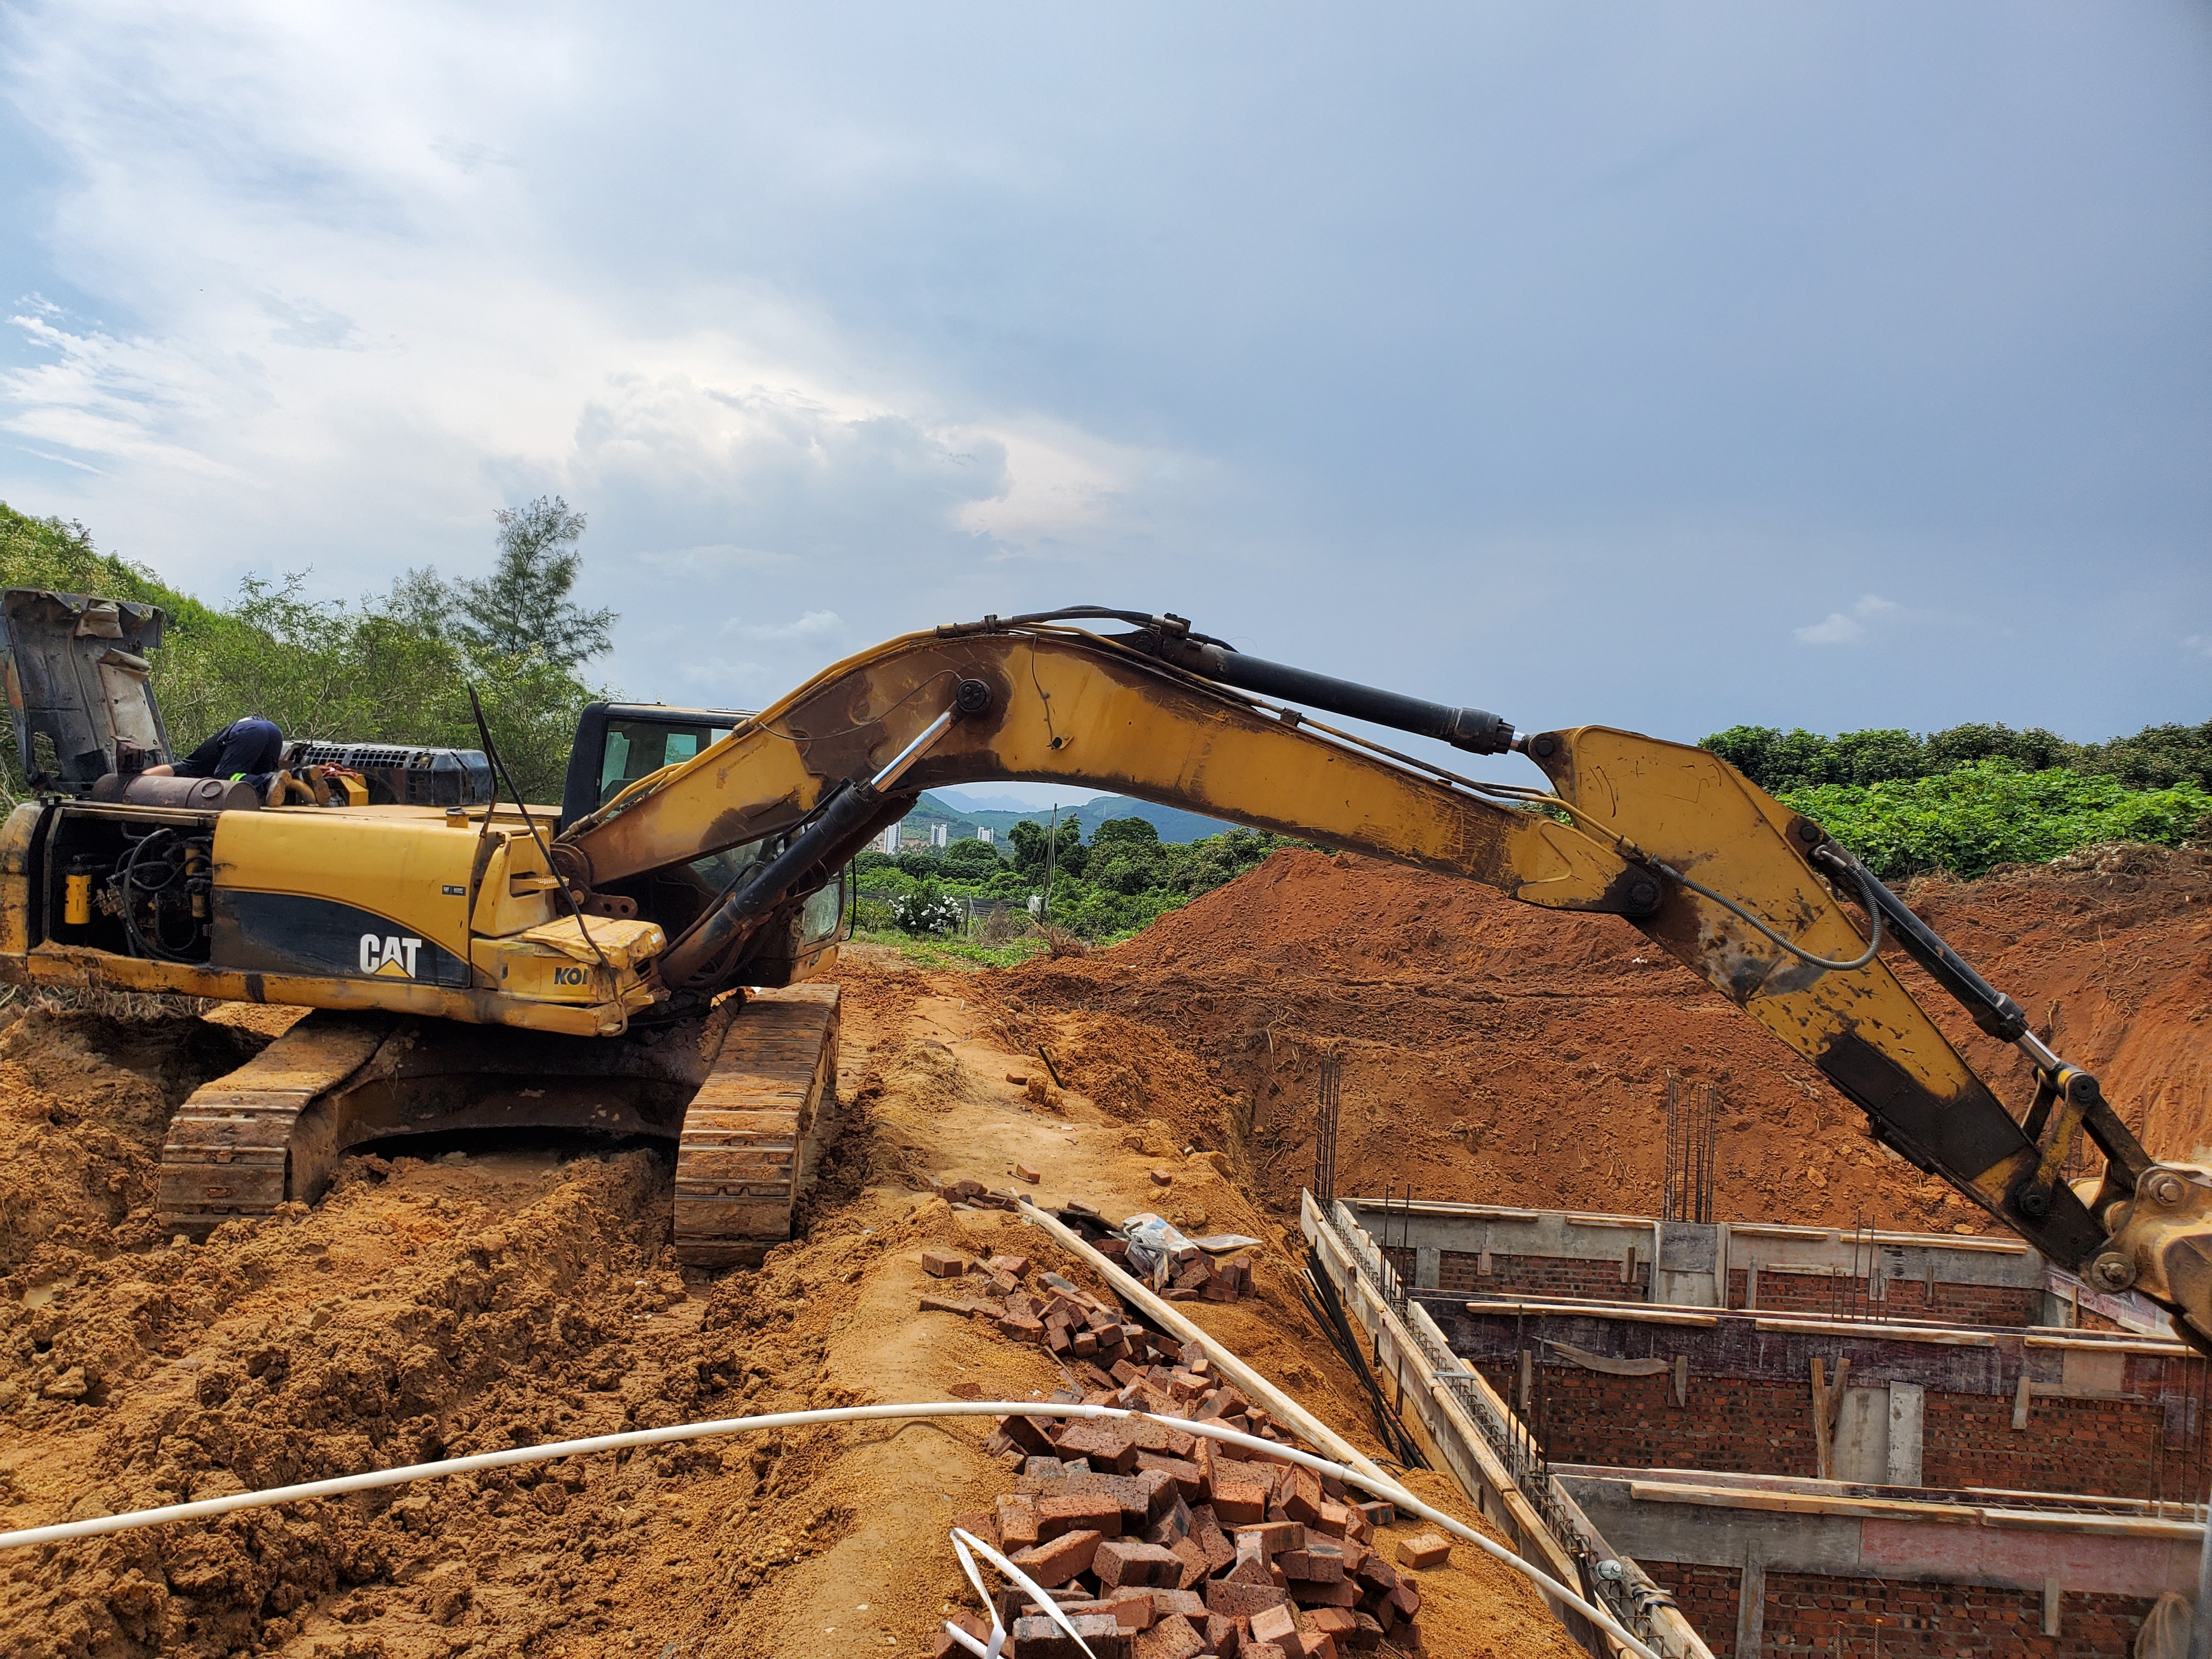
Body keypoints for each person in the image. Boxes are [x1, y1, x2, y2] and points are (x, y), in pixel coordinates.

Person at [144, 716, 285, 785]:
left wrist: (141, 780)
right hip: (274, 730)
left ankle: (268, 781)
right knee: (274, 783)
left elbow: (174, 768)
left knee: (226, 777)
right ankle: (298, 777)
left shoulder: (197, 763)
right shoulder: (234, 759)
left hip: (249, 730)